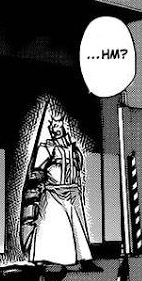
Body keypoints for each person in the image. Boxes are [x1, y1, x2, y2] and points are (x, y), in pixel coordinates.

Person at [22, 103, 96, 268]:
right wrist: (38, 179)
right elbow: (37, 171)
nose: (54, 128)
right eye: (52, 125)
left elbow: (78, 170)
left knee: (78, 227)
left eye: (58, 125)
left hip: (72, 192)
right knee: (52, 225)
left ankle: (85, 259)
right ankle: (46, 259)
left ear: (64, 125)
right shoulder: (47, 147)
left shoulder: (74, 149)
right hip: (53, 193)